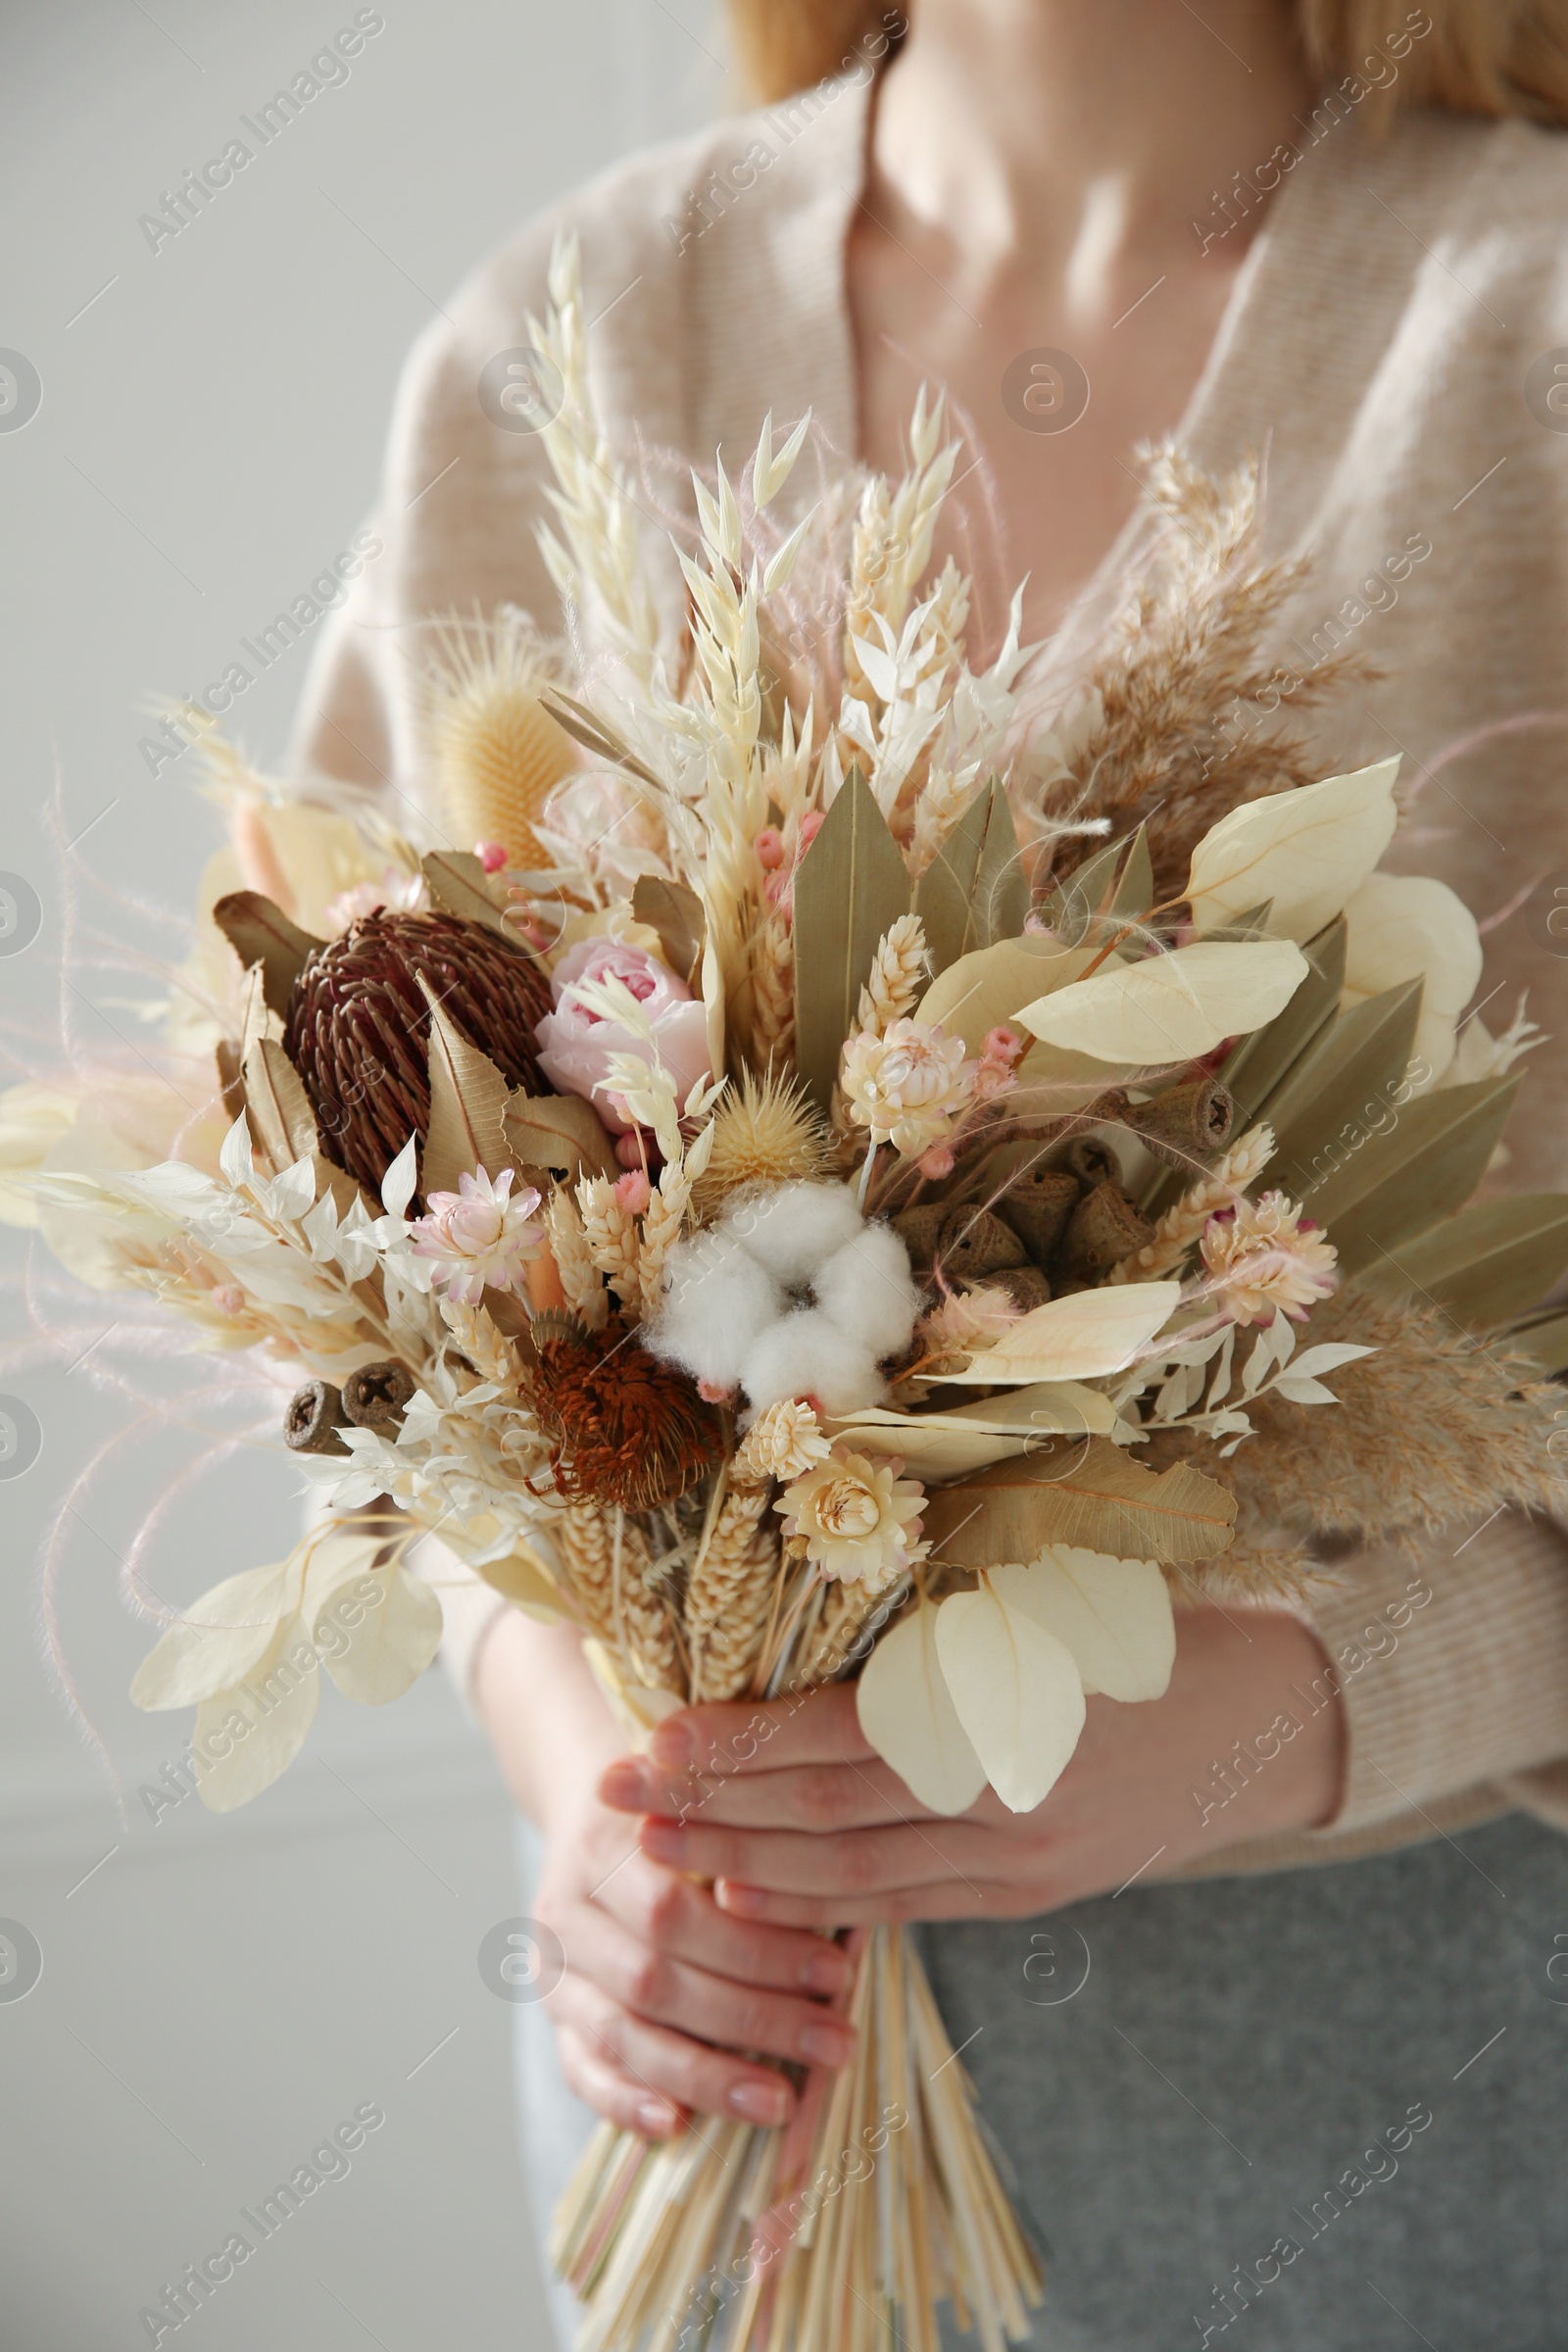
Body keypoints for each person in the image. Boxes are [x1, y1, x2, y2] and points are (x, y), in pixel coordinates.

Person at [296, 3, 1568, 2341]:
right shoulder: (559, 343)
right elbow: (337, 1246)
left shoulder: (1524, 338)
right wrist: (592, 1785)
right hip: (700, 2058)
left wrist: (1285, 1708)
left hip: (1372, 2069)